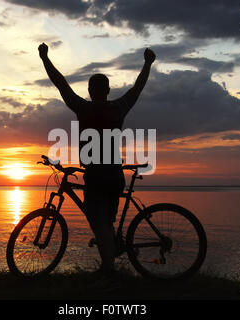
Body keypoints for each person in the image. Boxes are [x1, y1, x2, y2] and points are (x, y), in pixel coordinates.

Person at [38, 42, 156, 275]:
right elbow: (138, 87)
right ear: (108, 90)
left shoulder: (83, 108)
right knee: (106, 223)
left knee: (99, 224)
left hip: (96, 175)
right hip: (114, 174)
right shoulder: (119, 107)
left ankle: (109, 272)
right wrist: (147, 63)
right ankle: (110, 260)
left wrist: (44, 58)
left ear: (90, 91)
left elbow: (60, 83)